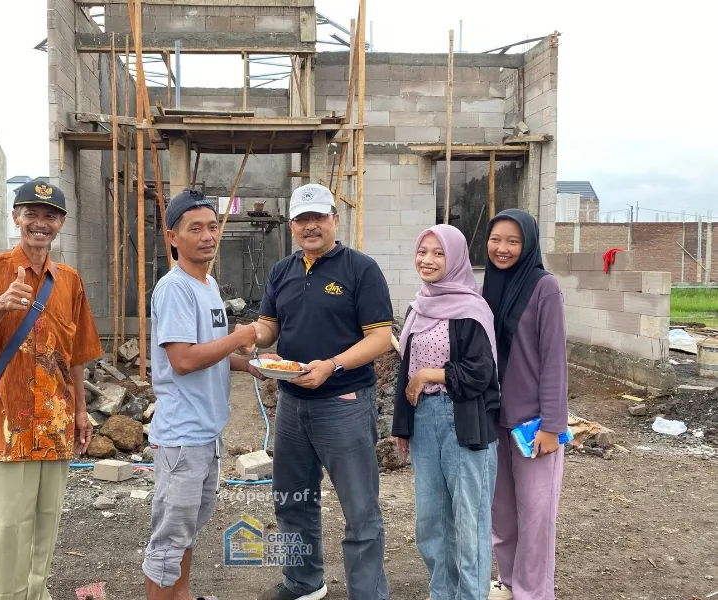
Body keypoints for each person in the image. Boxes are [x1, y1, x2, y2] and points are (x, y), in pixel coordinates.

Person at [0, 180, 104, 600]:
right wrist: (0, 305)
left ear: (62, 223)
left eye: (50, 215)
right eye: (31, 213)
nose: (40, 223)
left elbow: (76, 354)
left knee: (45, 522)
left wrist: (81, 411)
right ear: (16, 217)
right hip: (7, 424)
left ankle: (37, 594)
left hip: (54, 423)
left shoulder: (68, 280)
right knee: (8, 526)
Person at [248, 183, 394, 600]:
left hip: (344, 402)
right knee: (292, 499)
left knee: (360, 510)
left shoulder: (360, 269)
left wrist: (332, 365)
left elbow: (381, 338)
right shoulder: (283, 271)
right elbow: (271, 326)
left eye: (318, 217)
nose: (310, 226)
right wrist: (252, 339)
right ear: (292, 224)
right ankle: (303, 583)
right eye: (301, 219)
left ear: (334, 219)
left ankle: (367, 594)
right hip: (293, 404)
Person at [143, 189, 264, 600]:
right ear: (173, 236)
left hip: (206, 432)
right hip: (182, 436)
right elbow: (183, 360)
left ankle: (182, 595)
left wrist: (251, 364)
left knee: (189, 526)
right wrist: (241, 336)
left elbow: (209, 352)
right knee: (169, 540)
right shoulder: (174, 288)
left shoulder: (208, 283)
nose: (207, 236)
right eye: (195, 228)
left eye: (213, 226)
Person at [391, 224, 500, 600]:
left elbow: (481, 371)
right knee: (431, 522)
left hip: (464, 422)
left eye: (438, 253)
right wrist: (401, 425)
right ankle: (442, 594)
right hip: (424, 422)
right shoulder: (418, 307)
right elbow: (403, 371)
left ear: (454, 259)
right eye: (423, 251)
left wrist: (429, 375)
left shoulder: (471, 309)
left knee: (468, 523)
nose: (428, 260)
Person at [482, 209, 568, 600]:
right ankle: (511, 582)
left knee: (536, 516)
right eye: (496, 239)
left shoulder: (543, 286)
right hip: (494, 418)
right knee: (502, 513)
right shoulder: (490, 283)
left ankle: (534, 593)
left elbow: (554, 361)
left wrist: (552, 425)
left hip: (533, 424)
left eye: (513, 241)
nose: (502, 248)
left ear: (528, 243)